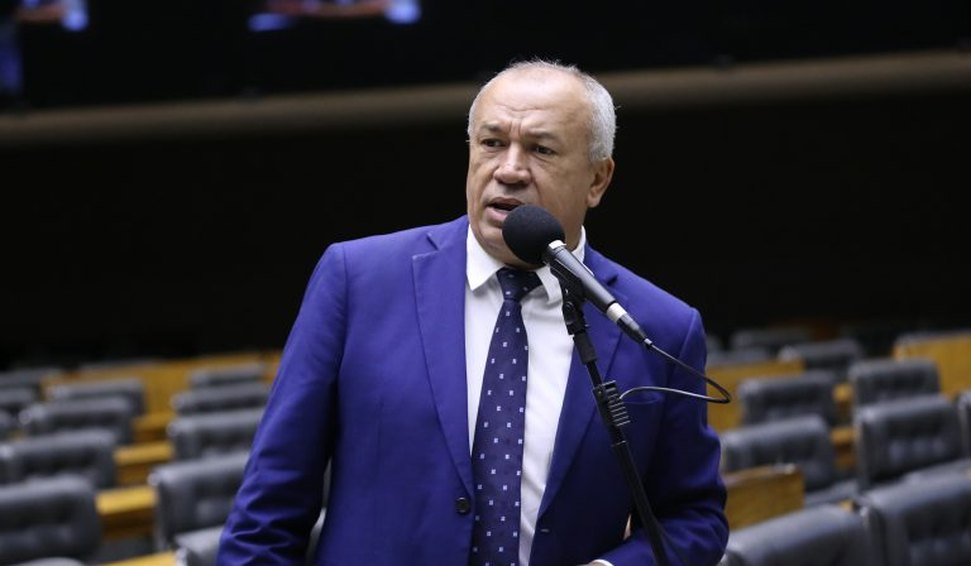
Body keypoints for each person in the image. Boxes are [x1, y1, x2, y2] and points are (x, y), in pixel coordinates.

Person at [217, 58, 727, 565]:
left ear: (598, 179)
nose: (509, 170)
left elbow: (693, 519)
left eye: (541, 149)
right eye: (491, 143)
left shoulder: (655, 327)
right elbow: (267, 510)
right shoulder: (359, 281)